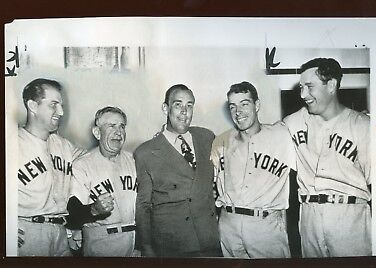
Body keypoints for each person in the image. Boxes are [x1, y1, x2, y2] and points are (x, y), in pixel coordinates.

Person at [283, 58, 371, 257]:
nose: (303, 94)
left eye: (310, 87)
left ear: (331, 85)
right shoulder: (293, 122)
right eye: (301, 88)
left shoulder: (362, 125)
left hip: (349, 216)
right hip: (308, 215)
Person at [134, 84, 222, 257]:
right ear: (165, 108)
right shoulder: (145, 152)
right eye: (178, 104)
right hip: (172, 245)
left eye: (189, 105)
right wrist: (146, 247)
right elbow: (144, 205)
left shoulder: (207, 138)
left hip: (209, 241)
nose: (184, 111)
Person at [211, 81, 296, 258]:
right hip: (229, 222)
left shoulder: (282, 135)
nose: (238, 112)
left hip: (265, 224)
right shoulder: (221, 141)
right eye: (233, 106)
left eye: (244, 104)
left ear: (257, 105)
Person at [17, 78, 85, 256]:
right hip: (28, 233)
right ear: (33, 106)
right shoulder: (11, 142)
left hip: (60, 233)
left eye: (61, 105)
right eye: (54, 105)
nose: (61, 112)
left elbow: (94, 160)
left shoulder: (63, 145)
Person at [67, 106, 138, 257]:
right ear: (97, 132)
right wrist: (94, 209)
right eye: (111, 126)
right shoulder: (83, 164)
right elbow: (72, 212)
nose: (119, 132)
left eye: (122, 126)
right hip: (100, 245)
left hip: (133, 243)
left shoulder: (133, 160)